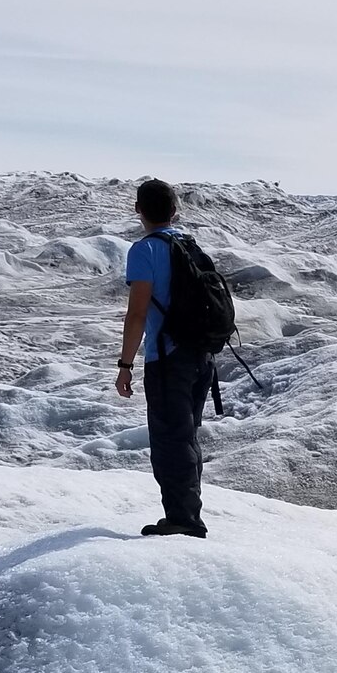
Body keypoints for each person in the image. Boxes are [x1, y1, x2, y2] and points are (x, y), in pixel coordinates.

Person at [116, 177, 214, 538]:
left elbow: (137, 314)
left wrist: (125, 365)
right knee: (186, 438)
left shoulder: (145, 250)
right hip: (200, 357)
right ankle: (185, 513)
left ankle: (184, 520)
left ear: (138, 210)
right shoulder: (188, 244)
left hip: (168, 358)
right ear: (174, 210)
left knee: (171, 441)